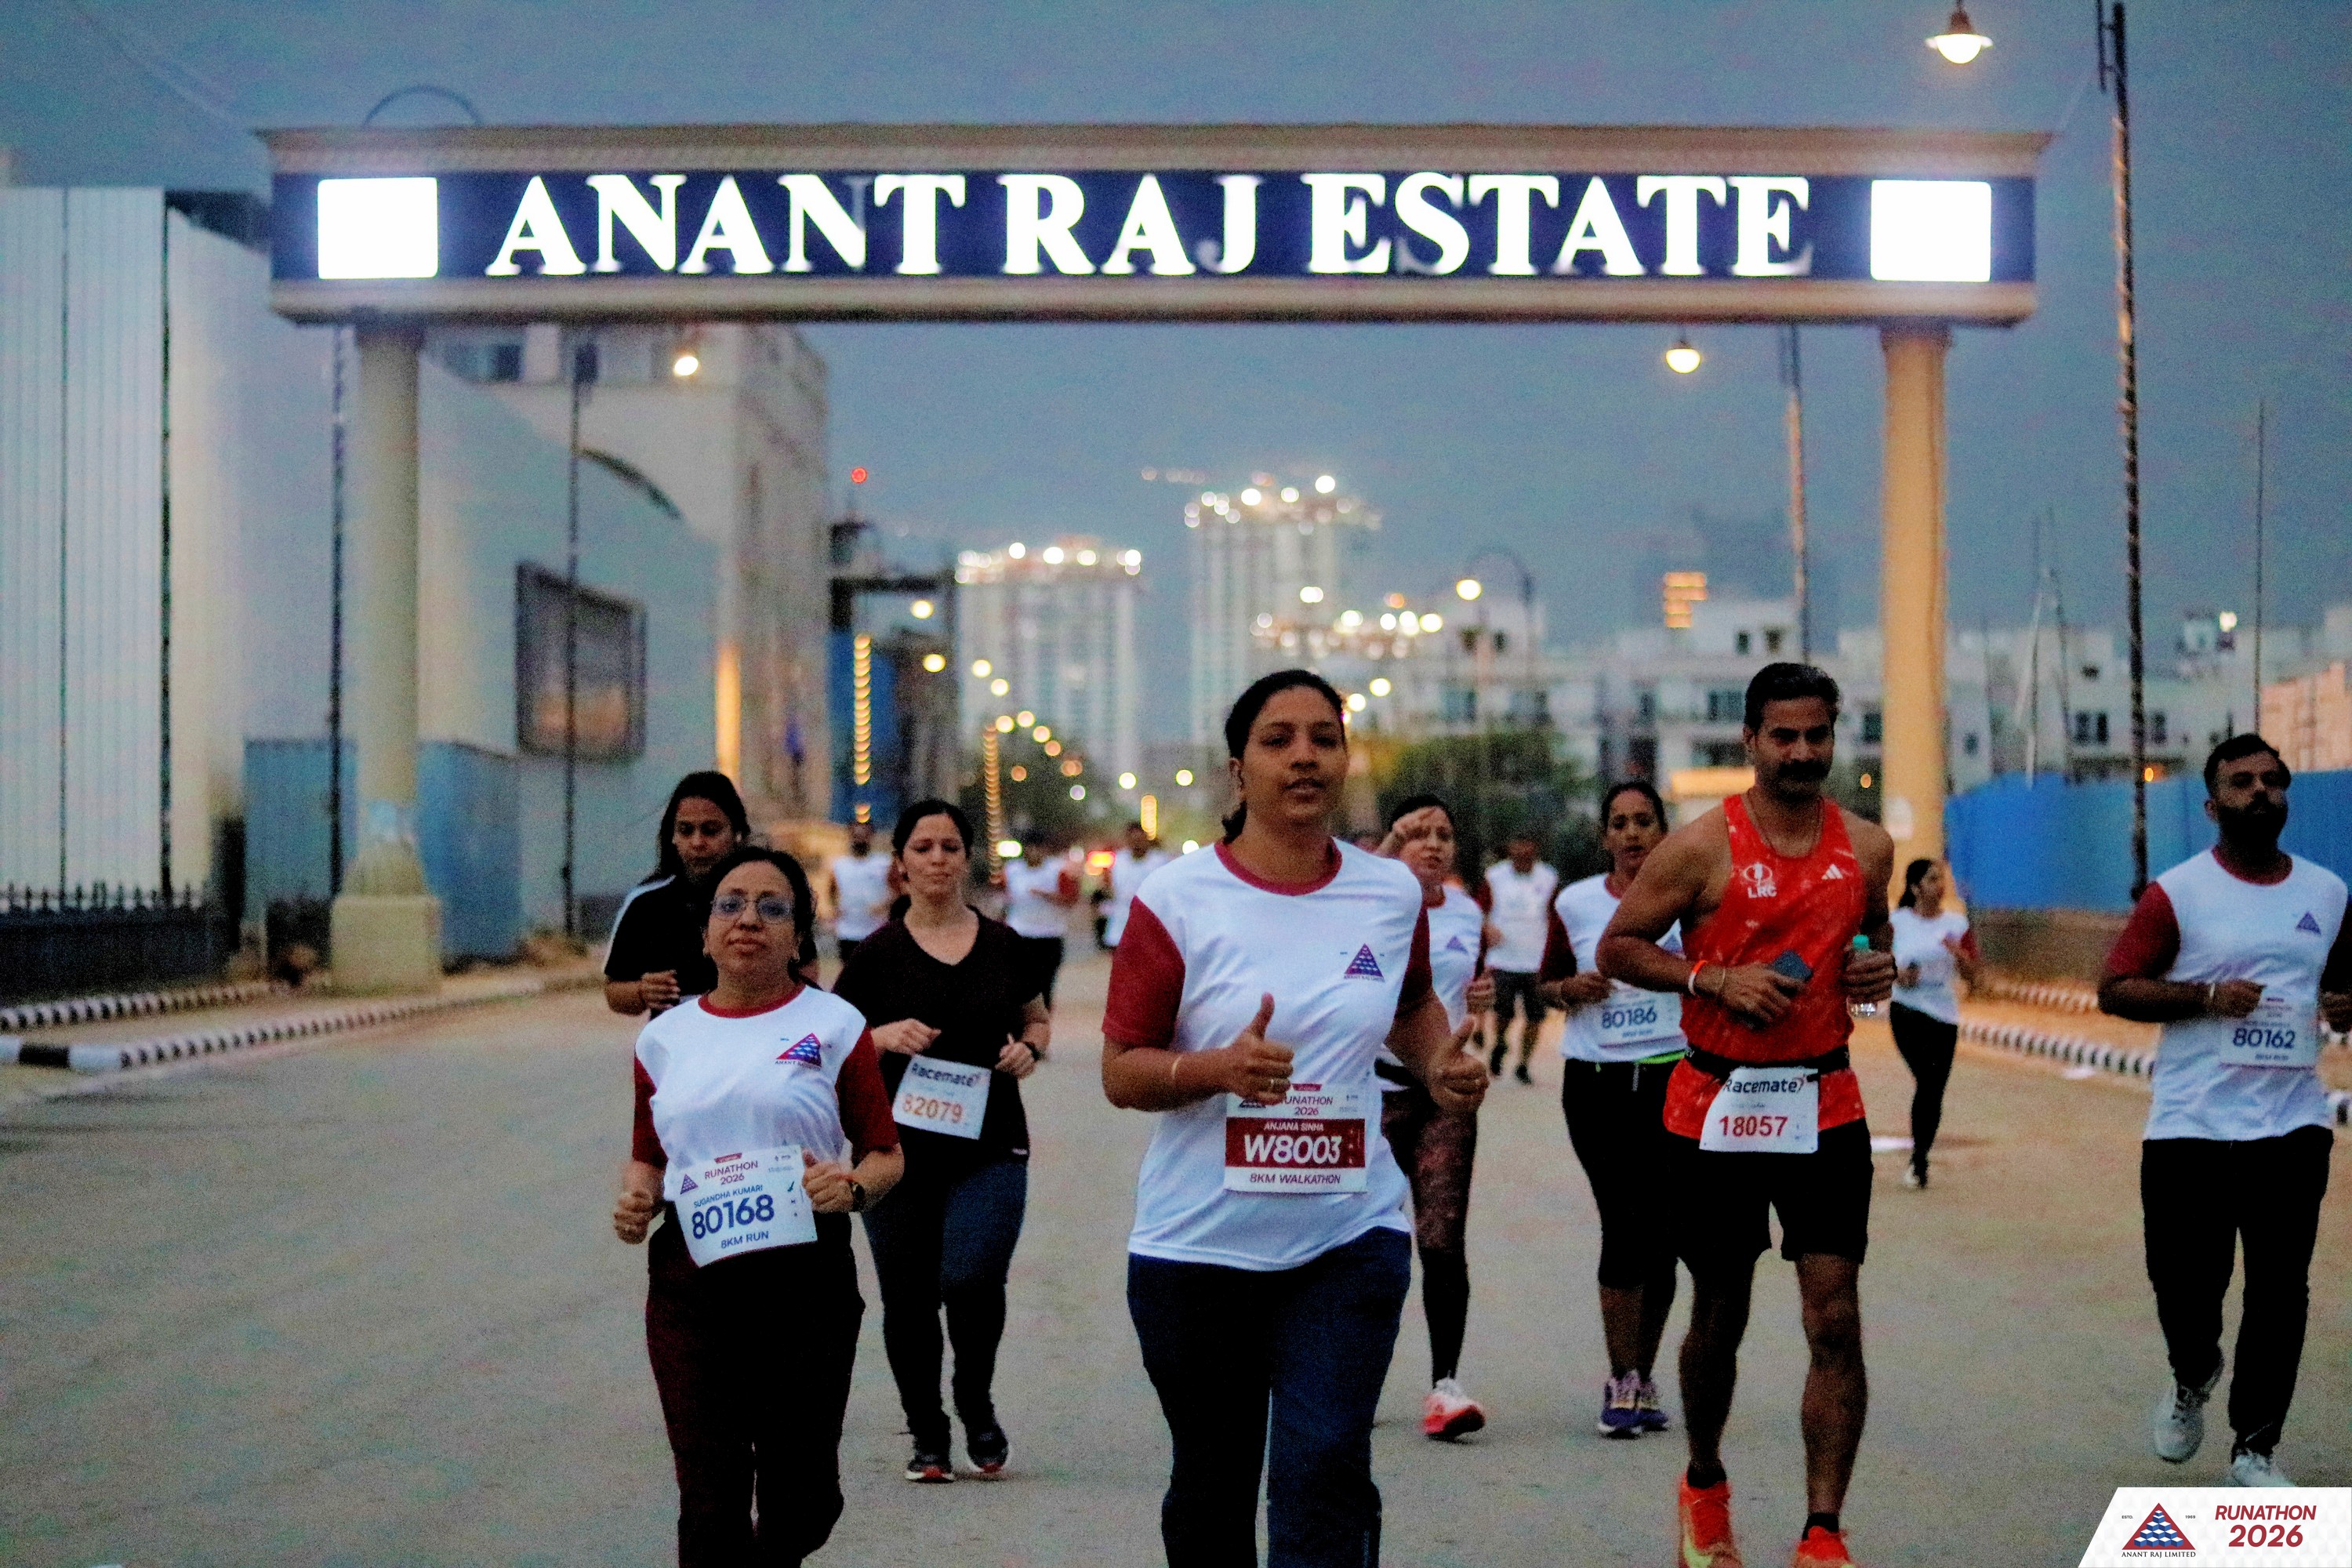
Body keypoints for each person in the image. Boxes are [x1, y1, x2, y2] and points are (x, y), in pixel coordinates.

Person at [1101, 670, 1488, 1568]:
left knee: (1323, 1468)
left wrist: (1439, 1062)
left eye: (1325, 737)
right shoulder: (1177, 896)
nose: (1305, 756)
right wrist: (1215, 1069)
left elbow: (1412, 1002)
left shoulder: (1390, 893)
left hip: (1346, 1238)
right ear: (1239, 769)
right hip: (1198, 1250)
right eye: (1278, 739)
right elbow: (1122, 1069)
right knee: (1214, 1483)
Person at [1599, 662, 1894, 1568]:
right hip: (1715, 1103)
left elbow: (1872, 935)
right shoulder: (1698, 847)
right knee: (1720, 1309)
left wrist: (1873, 969)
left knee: (1833, 1315)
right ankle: (1704, 1483)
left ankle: (1823, 1530)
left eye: (1816, 735)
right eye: (1783, 736)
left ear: (1833, 736)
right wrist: (1710, 977)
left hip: (1824, 1097)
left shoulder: (1868, 845)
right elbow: (1618, 945)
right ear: (1751, 740)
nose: (1801, 752)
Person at [612, 846, 905, 1566]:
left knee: (801, 1496)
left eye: (773, 908)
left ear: (798, 936)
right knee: (708, 1493)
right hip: (691, 1284)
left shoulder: (835, 1025)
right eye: (731, 905)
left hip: (804, 1283)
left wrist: (852, 1187)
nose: (749, 920)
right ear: (706, 934)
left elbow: (885, 1154)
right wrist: (638, 1198)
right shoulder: (663, 1038)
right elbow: (650, 1152)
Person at [2098, 734, 2350, 1489]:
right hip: (2192, 1129)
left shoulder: (2328, 893)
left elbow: (2343, 987)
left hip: (2292, 1125)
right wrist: (2206, 997)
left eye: (2272, 780)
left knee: (2280, 1290)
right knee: (2185, 1290)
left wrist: (2345, 1007)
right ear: (2212, 806)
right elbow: (2116, 988)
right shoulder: (2177, 893)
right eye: (2242, 782)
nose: (2260, 792)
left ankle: (2255, 1448)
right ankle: (2193, 1371)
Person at [833, 799, 1051, 1484]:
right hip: (896, 1154)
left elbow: (1037, 1020)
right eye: (922, 848)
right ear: (900, 863)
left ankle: (975, 1401)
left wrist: (1029, 1050)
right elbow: (831, 1043)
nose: (936, 859)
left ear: (967, 858)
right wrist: (880, 1036)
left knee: (973, 1278)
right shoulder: (875, 955)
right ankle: (928, 1432)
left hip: (990, 1146)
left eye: (949, 847)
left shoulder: (1005, 944)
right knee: (908, 1297)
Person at [1538, 779, 1687, 1440]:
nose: (1632, 834)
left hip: (1675, 1079)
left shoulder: (1689, 899)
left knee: (1666, 1239)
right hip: (1597, 1084)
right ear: (1605, 837)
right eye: (1620, 823)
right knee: (1625, 1221)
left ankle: (1644, 1375)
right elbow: (1544, 982)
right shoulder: (1575, 903)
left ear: (1663, 833)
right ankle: (1621, 1377)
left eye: (1644, 821)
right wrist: (1570, 988)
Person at [1374, 793, 1497, 1439]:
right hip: (1369, 1093)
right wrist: (1388, 847)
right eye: (1418, 833)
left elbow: (1464, 989)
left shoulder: (1468, 912)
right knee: (1364, 1243)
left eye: (1444, 834)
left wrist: (1481, 997)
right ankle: (1351, 1379)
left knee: (1443, 1241)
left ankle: (1445, 1386)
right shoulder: (1370, 901)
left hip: (1441, 1095)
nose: (1433, 844)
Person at [606, 772, 764, 1017]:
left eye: (711, 831)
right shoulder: (646, 904)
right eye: (686, 830)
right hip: (674, 1040)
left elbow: (806, 974)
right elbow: (614, 990)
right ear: (672, 835)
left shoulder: (767, 897)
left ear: (737, 833)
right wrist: (642, 991)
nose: (697, 842)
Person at [1887, 858, 1980, 1190]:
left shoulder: (1957, 924)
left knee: (1933, 1089)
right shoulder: (1897, 922)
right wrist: (1898, 975)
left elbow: (1975, 977)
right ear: (1915, 888)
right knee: (1927, 1081)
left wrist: (1960, 956)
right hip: (1907, 1010)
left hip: (1944, 1014)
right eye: (1931, 879)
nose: (1939, 885)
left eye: (1941, 879)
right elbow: (1874, 959)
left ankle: (1920, 1157)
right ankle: (1919, 1159)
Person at [1483, 830, 1559, 1084]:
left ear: (1535, 849)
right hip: (1503, 958)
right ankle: (1499, 1043)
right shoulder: (1494, 876)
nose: (1523, 852)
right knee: (1503, 1013)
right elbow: (1479, 909)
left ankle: (1524, 1064)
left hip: (1536, 960)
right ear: (1510, 848)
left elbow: (1555, 915)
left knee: (1535, 1017)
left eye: (1528, 846)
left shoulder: (1548, 877)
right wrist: (1486, 927)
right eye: (1518, 846)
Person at [1002, 837, 1081, 1009]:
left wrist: (1045, 895)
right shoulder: (1012, 870)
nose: (1034, 853)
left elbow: (1070, 899)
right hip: (1020, 933)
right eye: (1030, 848)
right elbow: (1003, 897)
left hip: (1049, 935)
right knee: (1019, 982)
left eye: (1038, 848)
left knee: (1044, 983)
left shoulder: (1057, 870)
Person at [827, 821, 893, 970]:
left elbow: (897, 890)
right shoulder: (840, 865)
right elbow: (831, 890)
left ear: (871, 836)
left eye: (864, 835)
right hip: (847, 930)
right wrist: (835, 907)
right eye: (856, 836)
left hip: (875, 930)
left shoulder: (884, 863)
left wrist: (884, 905)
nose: (860, 839)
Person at [1102, 820, 1171, 950]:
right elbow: (1110, 887)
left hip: (1151, 924)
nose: (1137, 844)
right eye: (1133, 840)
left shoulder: (1159, 861)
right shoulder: (1119, 861)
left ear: (1146, 839)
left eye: (1139, 839)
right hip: (1122, 923)